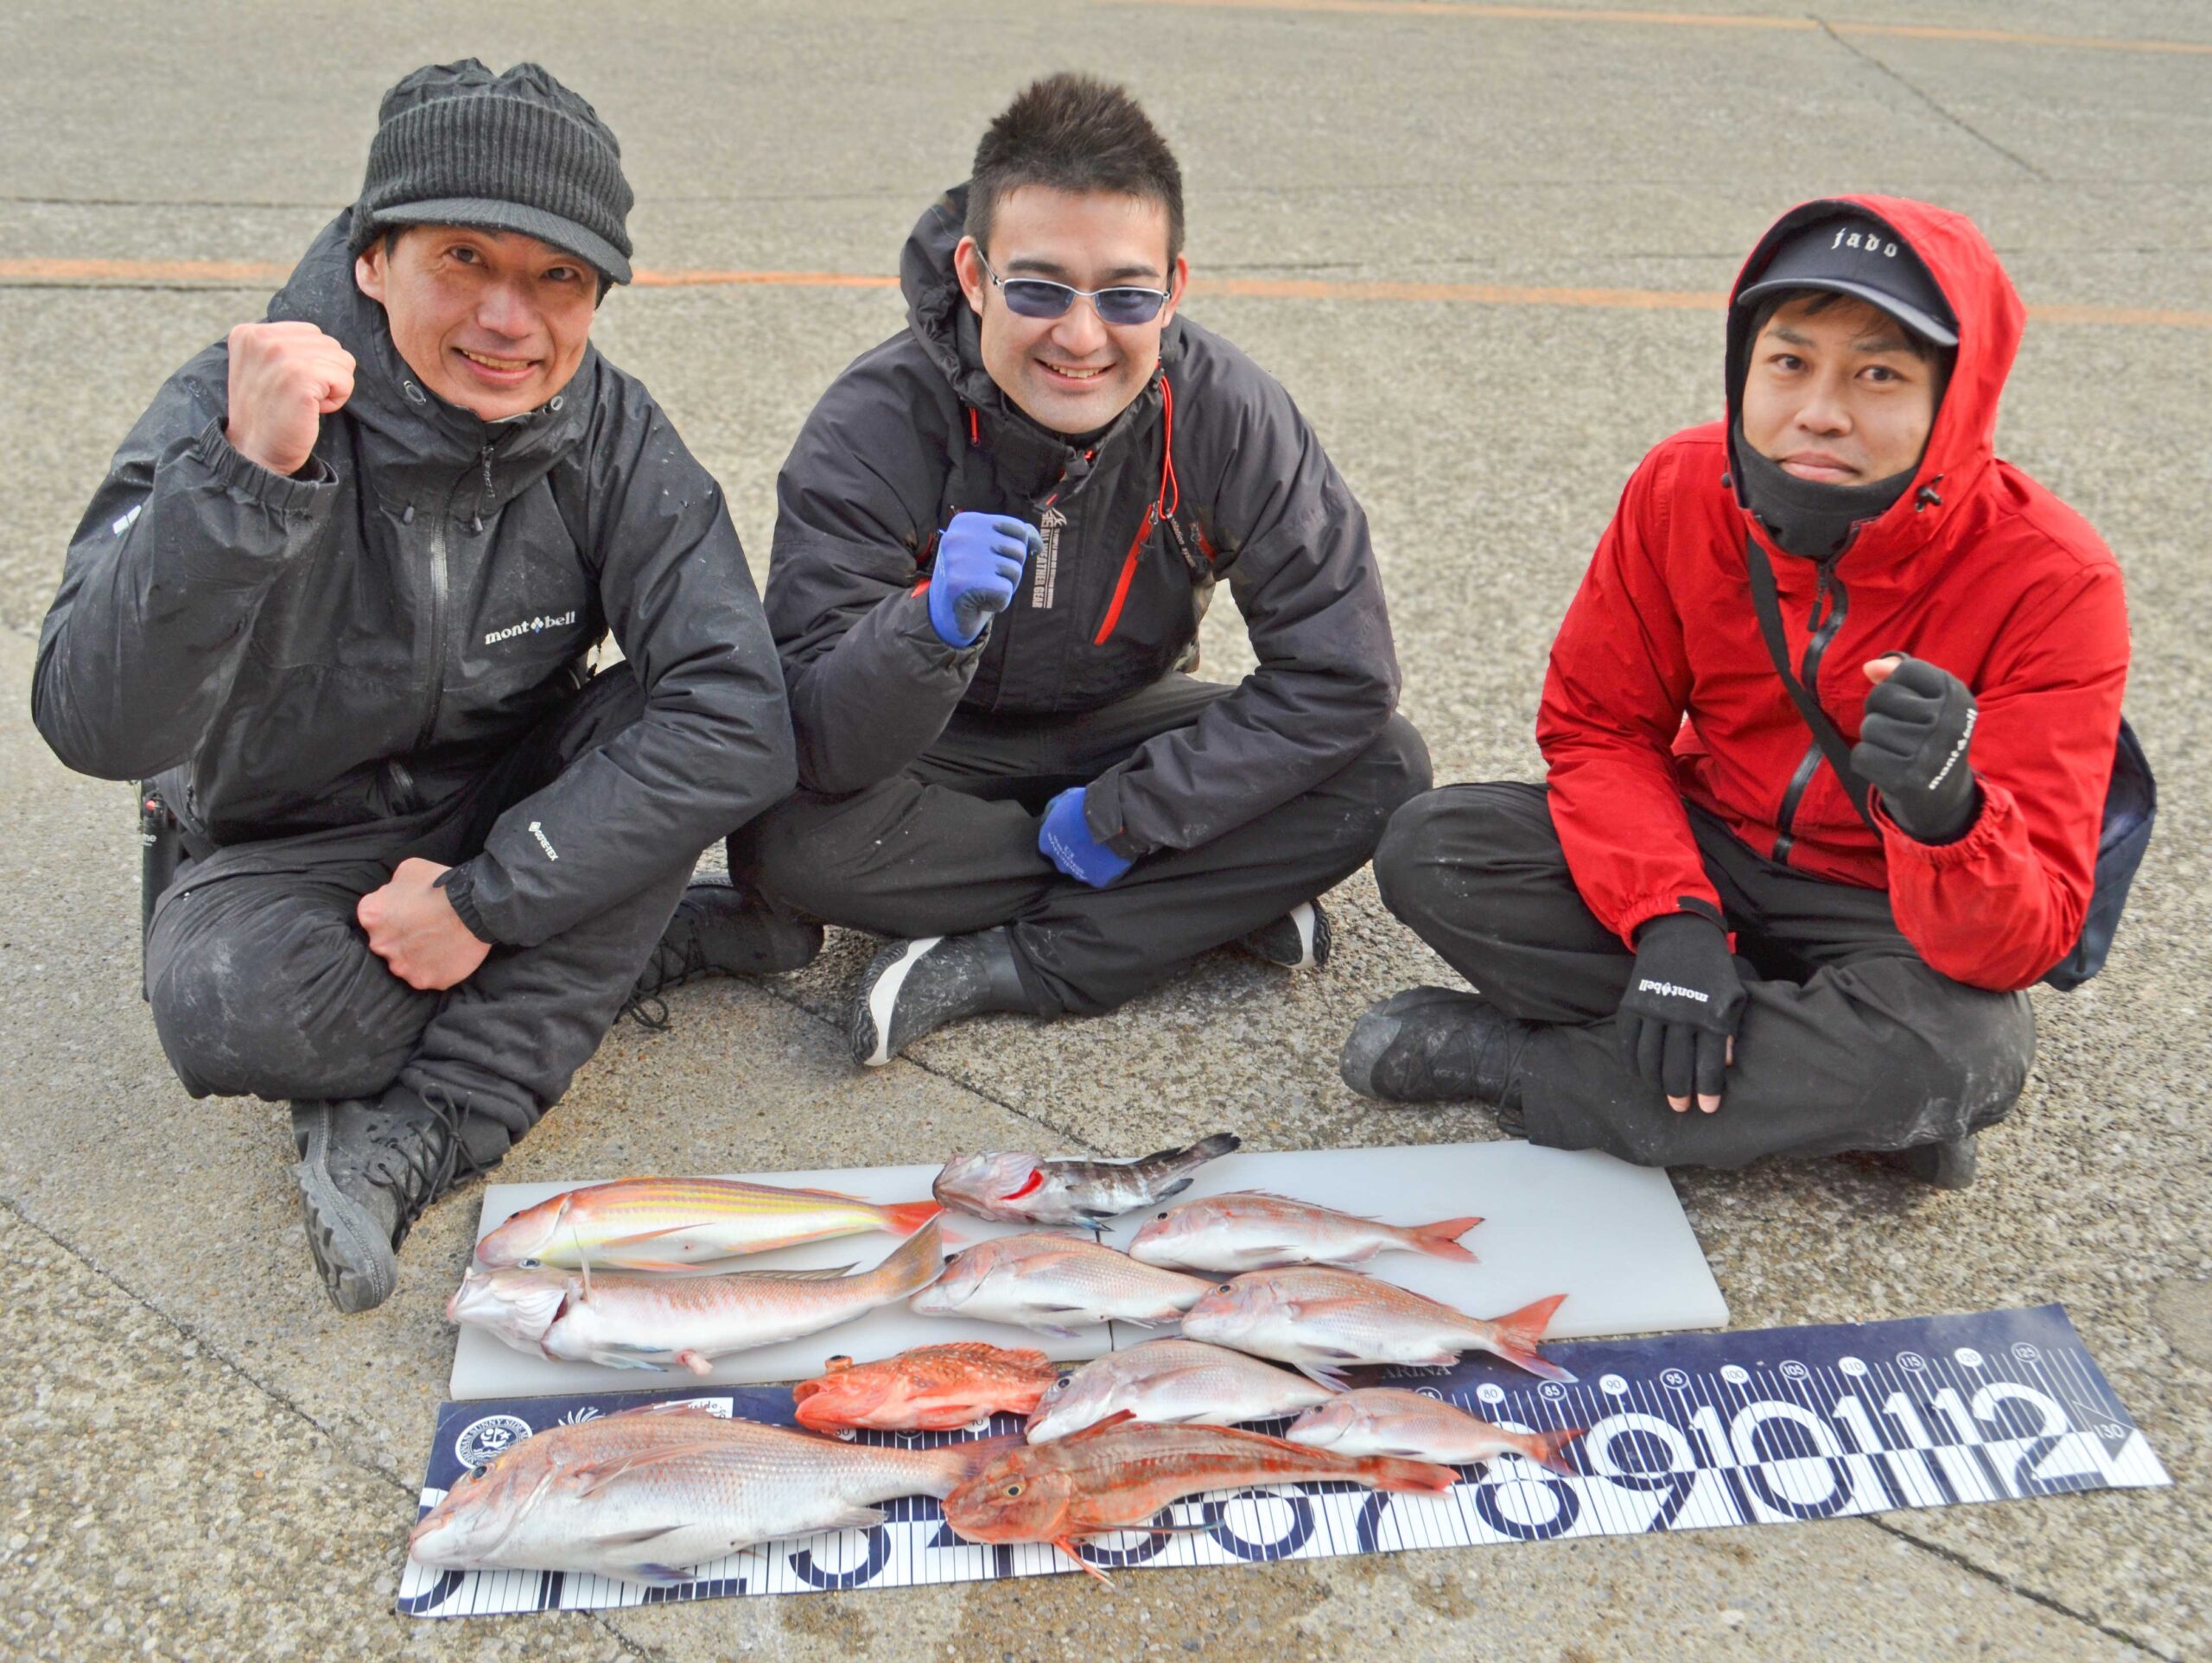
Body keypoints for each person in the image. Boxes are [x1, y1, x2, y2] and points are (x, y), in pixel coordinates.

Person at [32, 60, 803, 1312]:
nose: (512, 318)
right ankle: (612, 945)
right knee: (228, 1014)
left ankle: (441, 1119)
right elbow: (90, 720)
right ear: (372, 257)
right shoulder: (231, 406)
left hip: (503, 804)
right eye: (464, 259)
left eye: (558, 277)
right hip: (284, 839)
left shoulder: (610, 428)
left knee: (666, 748)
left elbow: (737, 710)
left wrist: (490, 902)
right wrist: (243, 485)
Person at [1341, 196, 2129, 1189]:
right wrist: (1671, 919)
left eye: (1878, 374)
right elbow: (1599, 727)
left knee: (1965, 1050)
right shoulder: (1681, 486)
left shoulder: (2055, 578)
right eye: (1789, 361)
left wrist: (1946, 810)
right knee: (1436, 846)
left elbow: (2032, 931)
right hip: (1709, 838)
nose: (1820, 410)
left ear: (1956, 398)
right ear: (1742, 365)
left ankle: (1529, 1067)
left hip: (1885, 907)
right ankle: (1830, 1097)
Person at [731, 73, 1429, 1064]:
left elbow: (1340, 676)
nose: (1082, 335)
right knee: (783, 836)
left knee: (1384, 766)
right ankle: (1199, 900)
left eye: (1126, 294)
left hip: (1123, 735)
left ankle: (1023, 961)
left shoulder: (1230, 414)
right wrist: (924, 631)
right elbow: (821, 739)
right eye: (1038, 288)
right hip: (937, 743)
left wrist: (1128, 814)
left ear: (1174, 289)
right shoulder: (870, 426)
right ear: (973, 275)